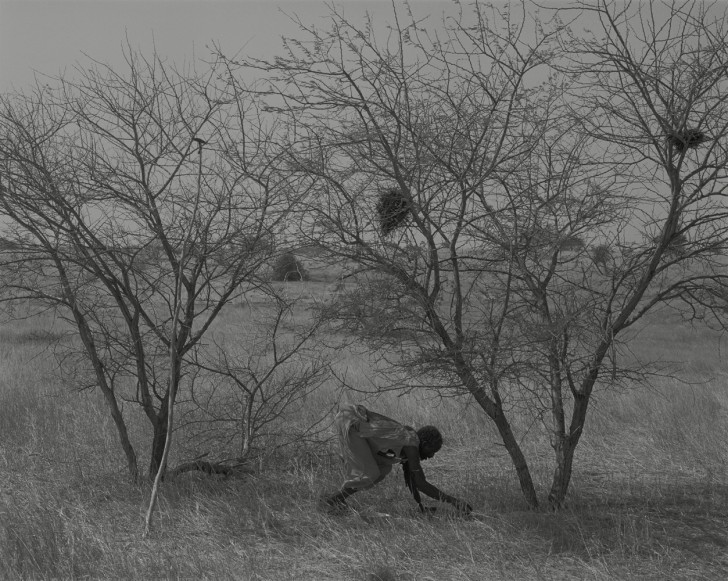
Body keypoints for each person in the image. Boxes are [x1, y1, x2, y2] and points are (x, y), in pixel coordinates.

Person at [323, 403, 472, 514]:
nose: (431, 456)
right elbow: (421, 483)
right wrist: (453, 501)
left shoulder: (410, 443)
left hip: (350, 418)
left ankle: (336, 500)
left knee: (382, 469)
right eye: (432, 451)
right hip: (350, 421)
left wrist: (421, 507)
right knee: (370, 473)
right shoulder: (411, 443)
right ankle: (333, 500)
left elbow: (413, 480)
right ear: (424, 443)